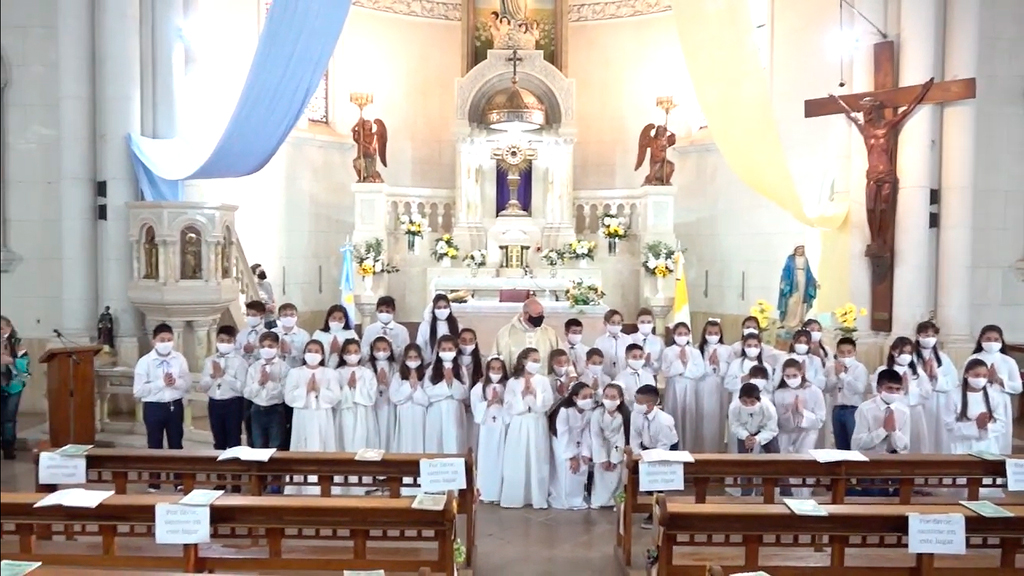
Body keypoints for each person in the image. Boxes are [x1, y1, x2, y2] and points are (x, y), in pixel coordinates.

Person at [133, 323, 191, 491]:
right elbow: (138, 390)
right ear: (154, 341)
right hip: (153, 407)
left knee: (176, 443)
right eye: (162, 340)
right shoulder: (145, 362)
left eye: (169, 339)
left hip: (174, 405)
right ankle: (154, 482)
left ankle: (178, 480)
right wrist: (161, 383)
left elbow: (187, 383)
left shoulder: (179, 359)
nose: (166, 342)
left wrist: (175, 383)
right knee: (154, 444)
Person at [284, 340, 342, 495]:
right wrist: (305, 389)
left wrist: (319, 390)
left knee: (323, 448)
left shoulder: (330, 373)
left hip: (322, 417)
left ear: (322, 355)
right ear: (304, 353)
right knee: (302, 449)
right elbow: (288, 398)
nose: (313, 354)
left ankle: (324, 488)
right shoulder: (295, 373)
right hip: (302, 417)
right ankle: (300, 489)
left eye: (317, 351)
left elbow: (336, 397)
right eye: (310, 350)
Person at [500, 347, 553, 509]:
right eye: (533, 360)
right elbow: (508, 405)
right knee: (518, 458)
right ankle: (515, 497)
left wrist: (536, 393)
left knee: (537, 458)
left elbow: (548, 401)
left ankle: (537, 497)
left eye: (538, 361)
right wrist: (521, 395)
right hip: (520, 423)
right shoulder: (513, 382)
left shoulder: (543, 380)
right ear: (523, 361)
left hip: (537, 421)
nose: (536, 363)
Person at [965, 324, 1021, 455]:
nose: (992, 342)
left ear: (1002, 341)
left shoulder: (1008, 361)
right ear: (981, 340)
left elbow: (1018, 387)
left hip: (1001, 402)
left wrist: (999, 380)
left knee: (1001, 438)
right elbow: (963, 380)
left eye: (996, 339)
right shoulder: (973, 359)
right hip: (977, 402)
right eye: (988, 339)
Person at [773, 358, 826, 497]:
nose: (791, 379)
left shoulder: (814, 391)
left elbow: (820, 419)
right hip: (785, 434)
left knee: (803, 465)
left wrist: (803, 413)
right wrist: (788, 415)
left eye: (794, 376)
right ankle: (784, 496)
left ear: (801, 373)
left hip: (807, 434)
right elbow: (777, 420)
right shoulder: (779, 393)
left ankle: (803, 497)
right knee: (785, 466)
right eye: (787, 376)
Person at [871, 337, 932, 453]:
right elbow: (876, 392)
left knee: (915, 445)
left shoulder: (916, 372)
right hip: (891, 413)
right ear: (894, 351)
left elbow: (927, 392)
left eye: (909, 352)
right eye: (903, 352)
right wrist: (900, 390)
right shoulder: (882, 370)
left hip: (914, 413)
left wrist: (910, 389)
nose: (906, 355)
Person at [629, 384, 678, 528]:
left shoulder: (664, 420)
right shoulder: (635, 414)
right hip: (646, 447)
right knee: (644, 480)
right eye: (636, 401)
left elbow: (664, 446)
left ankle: (657, 512)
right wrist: (638, 455)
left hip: (666, 449)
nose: (636, 405)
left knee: (657, 480)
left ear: (651, 404)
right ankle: (650, 506)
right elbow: (634, 437)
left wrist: (651, 459)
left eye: (640, 402)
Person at [198, 325, 248, 452]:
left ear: (234, 342)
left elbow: (242, 388)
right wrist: (212, 376)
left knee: (233, 439)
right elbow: (202, 386)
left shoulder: (240, 362)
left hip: (233, 403)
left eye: (228, 341)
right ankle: (221, 470)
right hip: (215, 403)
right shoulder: (210, 360)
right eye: (221, 340)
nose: (224, 343)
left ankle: (234, 470)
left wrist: (224, 376)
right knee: (218, 439)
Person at [944, 358, 1009, 456]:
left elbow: (1002, 424)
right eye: (977, 375)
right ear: (966, 374)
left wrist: (986, 427)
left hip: (987, 445)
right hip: (961, 446)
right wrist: (976, 425)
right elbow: (949, 425)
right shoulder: (954, 395)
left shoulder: (994, 395)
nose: (981, 379)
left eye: (985, 376)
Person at [660, 322, 706, 452]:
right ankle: (674, 448)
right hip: (673, 388)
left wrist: (686, 366)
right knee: (674, 416)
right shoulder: (668, 352)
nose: (682, 336)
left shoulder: (695, 352)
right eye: (680, 334)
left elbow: (700, 371)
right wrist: (679, 364)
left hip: (690, 388)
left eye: (685, 334)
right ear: (674, 335)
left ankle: (689, 448)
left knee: (689, 418)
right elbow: (666, 371)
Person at [548, 382, 594, 510]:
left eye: (591, 396)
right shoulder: (565, 411)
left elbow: (587, 432)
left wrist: (586, 453)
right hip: (562, 443)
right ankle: (564, 499)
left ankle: (577, 498)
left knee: (582, 467)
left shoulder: (589, 412)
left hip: (579, 442)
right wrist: (571, 456)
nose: (588, 399)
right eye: (584, 397)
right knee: (568, 468)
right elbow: (563, 434)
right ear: (575, 398)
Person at [913, 321, 958, 454]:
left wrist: (936, 376)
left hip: (940, 402)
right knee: (921, 434)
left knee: (939, 435)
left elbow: (953, 380)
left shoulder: (943, 358)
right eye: (926, 335)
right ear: (918, 336)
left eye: (933, 335)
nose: (930, 338)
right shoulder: (912, 357)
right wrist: (925, 377)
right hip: (920, 402)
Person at [243, 332, 289, 457]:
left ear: (277, 346)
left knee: (276, 447)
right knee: (258, 447)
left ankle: (276, 476)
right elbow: (247, 393)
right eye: (263, 346)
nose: (266, 349)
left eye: (270, 346)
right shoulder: (254, 367)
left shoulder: (284, 368)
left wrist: (268, 383)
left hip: (276, 410)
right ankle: (260, 476)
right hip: (257, 410)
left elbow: (284, 393)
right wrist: (259, 383)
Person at [473, 356, 509, 503]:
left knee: (501, 460)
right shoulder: (479, 388)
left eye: (499, 369)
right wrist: (488, 403)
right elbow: (476, 410)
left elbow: (513, 409)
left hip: (502, 428)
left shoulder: (508, 387)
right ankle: (485, 492)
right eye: (492, 369)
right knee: (486, 460)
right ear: (487, 370)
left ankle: (499, 493)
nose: (496, 372)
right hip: (487, 430)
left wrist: (502, 402)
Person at [425, 335, 469, 454]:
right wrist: (445, 385)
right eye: (444, 349)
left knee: (454, 441)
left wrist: (452, 383)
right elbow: (427, 392)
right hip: (436, 410)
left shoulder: (460, 369)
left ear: (456, 350)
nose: (447, 352)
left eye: (450, 349)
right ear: (438, 351)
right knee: (436, 442)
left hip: (455, 409)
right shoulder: (431, 369)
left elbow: (464, 392)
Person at [589, 382, 630, 509]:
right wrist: (603, 458)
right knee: (600, 476)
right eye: (606, 396)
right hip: (602, 447)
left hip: (618, 448)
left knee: (620, 478)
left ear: (620, 399)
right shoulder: (597, 413)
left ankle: (619, 502)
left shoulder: (625, 415)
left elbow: (621, 438)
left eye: (613, 397)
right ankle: (598, 501)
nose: (609, 400)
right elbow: (596, 436)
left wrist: (614, 458)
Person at [335, 338, 379, 455]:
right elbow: (334, 397)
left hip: (363, 412)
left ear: (360, 353)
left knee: (363, 441)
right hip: (344, 413)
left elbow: (371, 395)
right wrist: (347, 387)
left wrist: (357, 388)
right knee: (345, 441)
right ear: (343, 354)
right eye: (348, 352)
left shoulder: (367, 373)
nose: (352, 355)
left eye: (355, 351)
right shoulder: (337, 373)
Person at [492, 298, 560, 373]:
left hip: (542, 382)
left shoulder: (549, 333)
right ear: (526, 314)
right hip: (515, 381)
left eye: (542, 313)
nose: (541, 317)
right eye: (538, 314)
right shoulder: (505, 333)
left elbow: (561, 356)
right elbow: (494, 360)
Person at [852, 368, 911, 455]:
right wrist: (883, 431)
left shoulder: (904, 411)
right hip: (870, 459)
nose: (894, 392)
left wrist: (894, 432)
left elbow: (905, 446)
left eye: (898, 389)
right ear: (878, 389)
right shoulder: (865, 409)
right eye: (889, 388)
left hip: (895, 460)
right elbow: (857, 444)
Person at [695, 319, 732, 453]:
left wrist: (718, 365)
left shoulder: (727, 350)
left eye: (716, 333)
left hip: (720, 388)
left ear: (720, 334)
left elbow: (730, 369)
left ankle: (717, 451)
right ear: (704, 333)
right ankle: (701, 452)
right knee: (702, 420)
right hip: (702, 387)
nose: (713, 335)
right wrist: (708, 365)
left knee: (717, 422)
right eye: (710, 333)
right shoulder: (697, 348)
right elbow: (695, 369)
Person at [825, 337, 869, 451]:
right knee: (840, 444)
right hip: (837, 408)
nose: (845, 356)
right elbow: (828, 389)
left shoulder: (859, 368)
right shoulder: (831, 367)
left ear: (855, 352)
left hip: (853, 409)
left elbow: (859, 389)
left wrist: (842, 376)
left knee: (854, 444)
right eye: (842, 353)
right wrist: (835, 376)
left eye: (849, 353)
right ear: (837, 352)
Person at [390, 344, 430, 454]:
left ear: (421, 358)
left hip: (420, 414)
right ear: (404, 359)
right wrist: (410, 387)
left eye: (416, 357)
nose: (413, 360)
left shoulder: (426, 375)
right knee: (405, 441)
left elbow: (427, 400)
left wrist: (415, 389)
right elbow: (394, 397)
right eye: (410, 357)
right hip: (404, 413)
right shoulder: (398, 376)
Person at [1, 316, 30, 460]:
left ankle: (8, 448)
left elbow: (26, 362)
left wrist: (11, 360)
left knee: (9, 418)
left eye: (1, 328)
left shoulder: (17, 343)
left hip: (13, 385)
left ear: (9, 328)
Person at [725, 333, 775, 405]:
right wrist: (743, 379)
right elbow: (727, 385)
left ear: (760, 347)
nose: (752, 348)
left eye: (755, 346)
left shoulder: (766, 366)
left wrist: (762, 382)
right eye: (749, 346)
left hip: (760, 404)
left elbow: (770, 388)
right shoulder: (736, 364)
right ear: (743, 346)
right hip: (740, 402)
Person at [772, 329, 826, 394]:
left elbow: (821, 384)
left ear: (810, 344)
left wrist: (805, 374)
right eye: (799, 342)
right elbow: (776, 382)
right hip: (788, 394)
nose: (802, 345)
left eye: (806, 343)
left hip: (809, 394)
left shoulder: (815, 360)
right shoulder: (784, 358)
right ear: (793, 342)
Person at [368, 335, 398, 451]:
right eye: (378, 349)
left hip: (390, 404)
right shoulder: (368, 367)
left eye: (384, 349)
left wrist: (387, 384)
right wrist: (377, 384)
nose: (381, 352)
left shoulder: (395, 367)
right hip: (375, 405)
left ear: (390, 350)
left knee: (389, 430)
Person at [457, 328, 485, 452]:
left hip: (475, 409)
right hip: (458, 407)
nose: (467, 344)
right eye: (463, 340)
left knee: (473, 443)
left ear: (475, 342)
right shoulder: (453, 361)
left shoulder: (483, 362)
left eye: (470, 341)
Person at [360, 296, 410, 360]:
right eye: (381, 311)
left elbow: (406, 352)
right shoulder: (369, 329)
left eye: (387, 311)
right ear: (376, 312)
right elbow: (363, 351)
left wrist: (393, 348)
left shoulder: (402, 330)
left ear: (393, 312)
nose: (384, 314)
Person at [416, 293, 460, 362]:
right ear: (433, 309)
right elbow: (420, 347)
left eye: (445, 307)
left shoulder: (457, 325)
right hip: (430, 364)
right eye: (439, 308)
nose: (442, 310)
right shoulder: (426, 325)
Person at [312, 305, 358, 369]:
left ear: (345, 320)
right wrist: (330, 351)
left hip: (344, 369)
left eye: (340, 319)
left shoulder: (351, 334)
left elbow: (356, 354)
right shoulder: (319, 333)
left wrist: (340, 351)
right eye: (334, 318)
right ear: (328, 318)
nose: (336, 321)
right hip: (323, 369)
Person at [616, 343, 656, 408]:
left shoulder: (649, 376)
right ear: (626, 358)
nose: (638, 359)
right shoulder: (620, 377)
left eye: (640, 356)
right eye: (634, 357)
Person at [272, 303, 310, 369]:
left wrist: (291, 351)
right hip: (276, 370)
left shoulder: (304, 335)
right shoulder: (273, 333)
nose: (288, 318)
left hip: (296, 369)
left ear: (296, 316)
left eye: (292, 315)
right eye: (285, 315)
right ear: (279, 317)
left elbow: (306, 356)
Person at [595, 309, 628, 377]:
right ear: (605, 323)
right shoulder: (600, 341)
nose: (616, 325)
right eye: (613, 322)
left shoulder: (627, 339)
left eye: (619, 323)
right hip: (605, 377)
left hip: (623, 376)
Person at [632, 308, 664, 374]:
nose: (645, 325)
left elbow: (663, 363)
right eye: (642, 322)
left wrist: (651, 363)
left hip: (652, 376)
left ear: (653, 323)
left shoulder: (658, 341)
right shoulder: (630, 339)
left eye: (649, 322)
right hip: (634, 375)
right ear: (637, 322)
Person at [237, 300, 268, 365]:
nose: (250, 317)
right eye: (248, 315)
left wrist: (255, 350)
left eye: (254, 315)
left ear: (262, 315)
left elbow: (270, 353)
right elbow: (235, 351)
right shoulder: (242, 333)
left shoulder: (267, 335)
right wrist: (243, 350)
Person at [251, 263, 277, 329]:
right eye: (260, 271)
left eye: (263, 270)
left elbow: (272, 297)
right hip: (262, 320)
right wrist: (265, 307)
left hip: (271, 318)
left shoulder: (267, 284)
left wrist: (274, 305)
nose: (262, 272)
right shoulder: (253, 287)